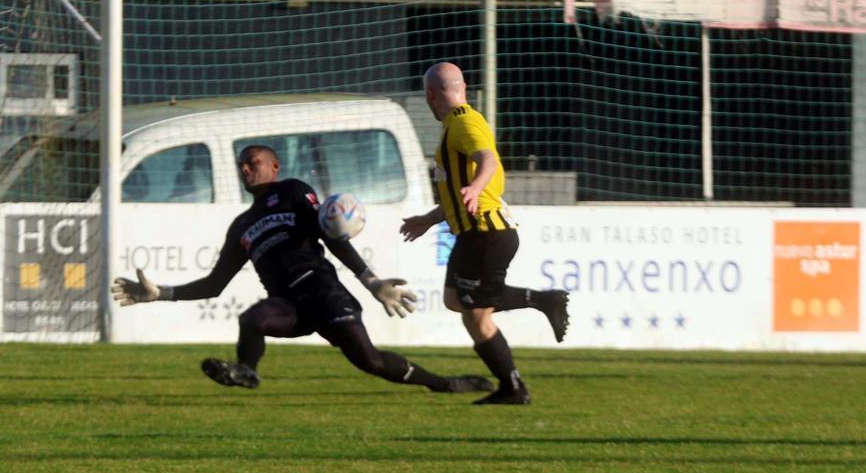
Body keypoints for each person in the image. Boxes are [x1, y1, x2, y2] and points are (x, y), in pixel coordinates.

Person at [110, 144, 493, 395]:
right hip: (287, 304)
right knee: (253, 318)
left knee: (370, 361)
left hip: (324, 292)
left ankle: (444, 384)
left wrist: (371, 281)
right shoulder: (241, 226)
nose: (246, 169)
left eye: (254, 162)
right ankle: (247, 371)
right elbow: (214, 284)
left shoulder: (293, 191)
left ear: (274, 166)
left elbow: (332, 236)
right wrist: (162, 293)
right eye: (242, 164)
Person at [399, 62, 570, 405]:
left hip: (487, 233)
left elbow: (487, 158)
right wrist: (430, 219)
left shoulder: (464, 121)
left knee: (472, 307)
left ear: (430, 94)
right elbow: (459, 190)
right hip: (475, 232)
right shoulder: (454, 125)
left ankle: (542, 304)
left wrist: (476, 187)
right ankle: (512, 385)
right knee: (464, 307)